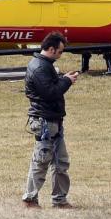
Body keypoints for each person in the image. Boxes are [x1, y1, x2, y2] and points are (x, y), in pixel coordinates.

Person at [22, 32, 79, 209]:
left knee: (61, 162)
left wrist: (63, 80)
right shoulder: (40, 68)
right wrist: (67, 81)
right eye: (60, 51)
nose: (61, 55)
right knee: (41, 161)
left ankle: (59, 199)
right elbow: (50, 93)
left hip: (53, 120)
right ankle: (30, 198)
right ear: (52, 49)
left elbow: (50, 88)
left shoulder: (43, 65)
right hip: (45, 121)